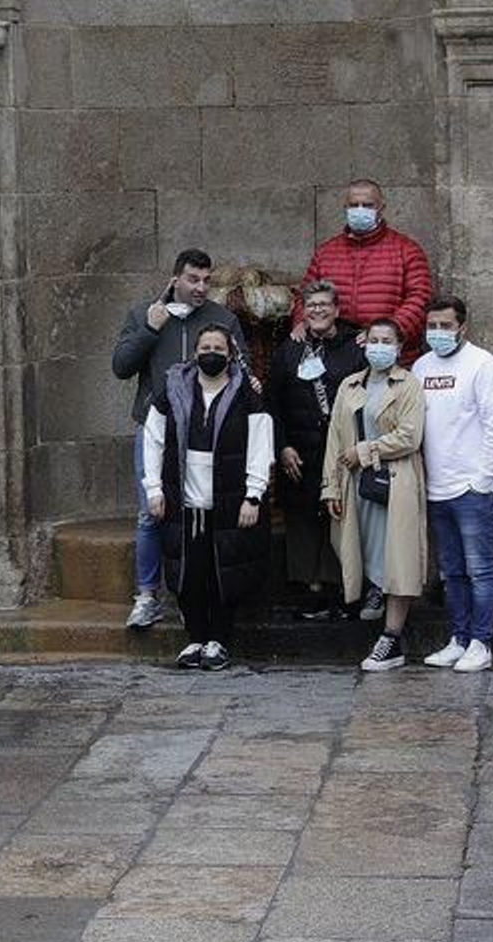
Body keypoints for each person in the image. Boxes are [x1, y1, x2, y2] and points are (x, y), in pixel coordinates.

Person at [112, 248, 248, 630]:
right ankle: (147, 595)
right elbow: (121, 367)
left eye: (207, 280)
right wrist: (150, 330)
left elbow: (244, 368)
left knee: (200, 511)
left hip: (207, 429)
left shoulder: (222, 319)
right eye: (193, 279)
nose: (201, 287)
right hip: (157, 428)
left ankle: (193, 593)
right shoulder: (145, 314)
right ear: (176, 279)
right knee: (150, 511)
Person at [142, 323, 272, 671]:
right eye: (205, 348)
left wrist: (254, 494)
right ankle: (195, 638)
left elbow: (261, 441)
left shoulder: (245, 390)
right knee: (189, 572)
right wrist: (153, 488)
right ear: (195, 352)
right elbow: (153, 437)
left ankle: (219, 640)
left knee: (222, 574)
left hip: (229, 498)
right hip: (184, 499)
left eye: (219, 348)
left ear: (230, 355)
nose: (210, 354)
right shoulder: (173, 388)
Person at [413, 295, 493, 673]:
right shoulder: (421, 367)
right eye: (432, 326)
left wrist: (483, 482)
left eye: (445, 326)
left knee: (479, 570)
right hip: (436, 488)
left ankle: (481, 642)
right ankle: (458, 638)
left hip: (473, 489)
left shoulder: (484, 366)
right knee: (451, 571)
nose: (438, 333)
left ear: (462, 328)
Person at [321, 319, 428, 671]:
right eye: (374, 340)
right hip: (357, 484)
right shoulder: (350, 386)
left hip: (396, 483)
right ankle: (373, 603)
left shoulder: (409, 385)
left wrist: (366, 450)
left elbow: (409, 437)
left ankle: (392, 637)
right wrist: (331, 486)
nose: (379, 346)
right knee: (363, 549)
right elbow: (336, 440)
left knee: (398, 557)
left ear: (398, 348)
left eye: (387, 341)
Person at [265, 279, 366, 620]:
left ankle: (342, 589)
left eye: (324, 305)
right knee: (304, 523)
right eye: (311, 305)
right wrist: (282, 447)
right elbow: (272, 404)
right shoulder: (289, 351)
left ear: (337, 310)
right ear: (303, 312)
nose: (318, 310)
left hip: (342, 452)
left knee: (340, 519)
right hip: (299, 453)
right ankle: (312, 590)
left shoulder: (356, 348)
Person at [291, 179, 432, 364]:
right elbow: (306, 295)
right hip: (336, 357)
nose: (360, 209)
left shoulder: (407, 250)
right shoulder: (326, 252)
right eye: (353, 205)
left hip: (390, 357)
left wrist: (384, 333)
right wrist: (301, 321)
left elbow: (420, 299)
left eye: (367, 205)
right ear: (344, 207)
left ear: (381, 207)